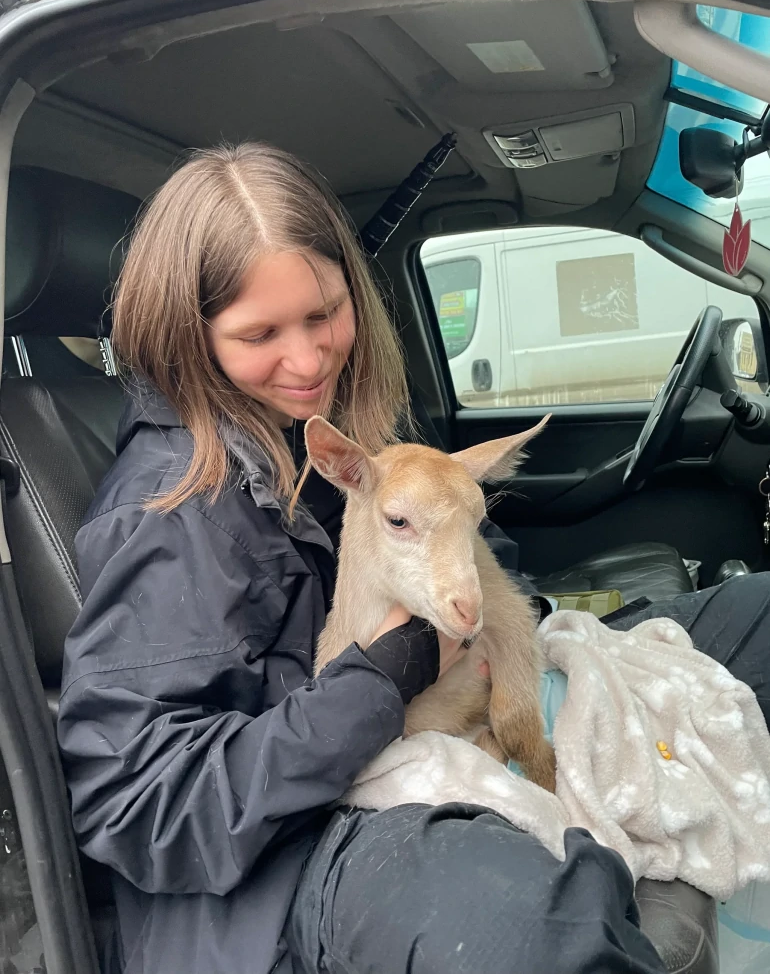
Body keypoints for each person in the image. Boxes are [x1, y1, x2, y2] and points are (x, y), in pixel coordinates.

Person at [56, 142, 765, 974]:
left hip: (456, 699)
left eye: (325, 313)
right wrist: (383, 678)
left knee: (755, 615)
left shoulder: (332, 422)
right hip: (300, 845)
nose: (309, 359)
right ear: (193, 334)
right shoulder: (170, 509)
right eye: (260, 333)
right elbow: (138, 804)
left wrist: (511, 633)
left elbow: (462, 548)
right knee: (530, 928)